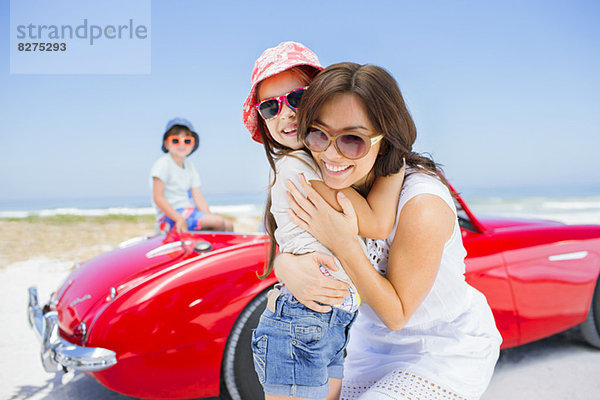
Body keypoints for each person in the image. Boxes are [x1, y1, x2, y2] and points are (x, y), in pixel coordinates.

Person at [277, 62, 502, 400]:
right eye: (319, 133)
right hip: (369, 343)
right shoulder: (330, 184)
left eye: (352, 140)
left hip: (443, 349)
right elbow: (291, 246)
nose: (329, 153)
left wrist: (344, 242)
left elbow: (396, 315)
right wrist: (286, 266)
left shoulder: (422, 206)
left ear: (384, 141)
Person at [242, 42, 405, 400]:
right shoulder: (298, 170)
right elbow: (376, 223)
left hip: (328, 319)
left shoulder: (316, 163)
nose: (284, 115)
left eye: (297, 99)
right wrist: (397, 156)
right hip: (302, 319)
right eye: (269, 106)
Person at [150, 118, 233, 233]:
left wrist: (210, 218)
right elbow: (158, 198)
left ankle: (217, 249)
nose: (182, 144)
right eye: (175, 140)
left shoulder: (190, 166)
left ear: (192, 144)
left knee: (227, 225)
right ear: (166, 144)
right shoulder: (163, 164)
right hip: (170, 216)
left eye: (187, 141)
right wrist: (178, 218)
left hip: (189, 212)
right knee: (218, 222)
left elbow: (199, 198)